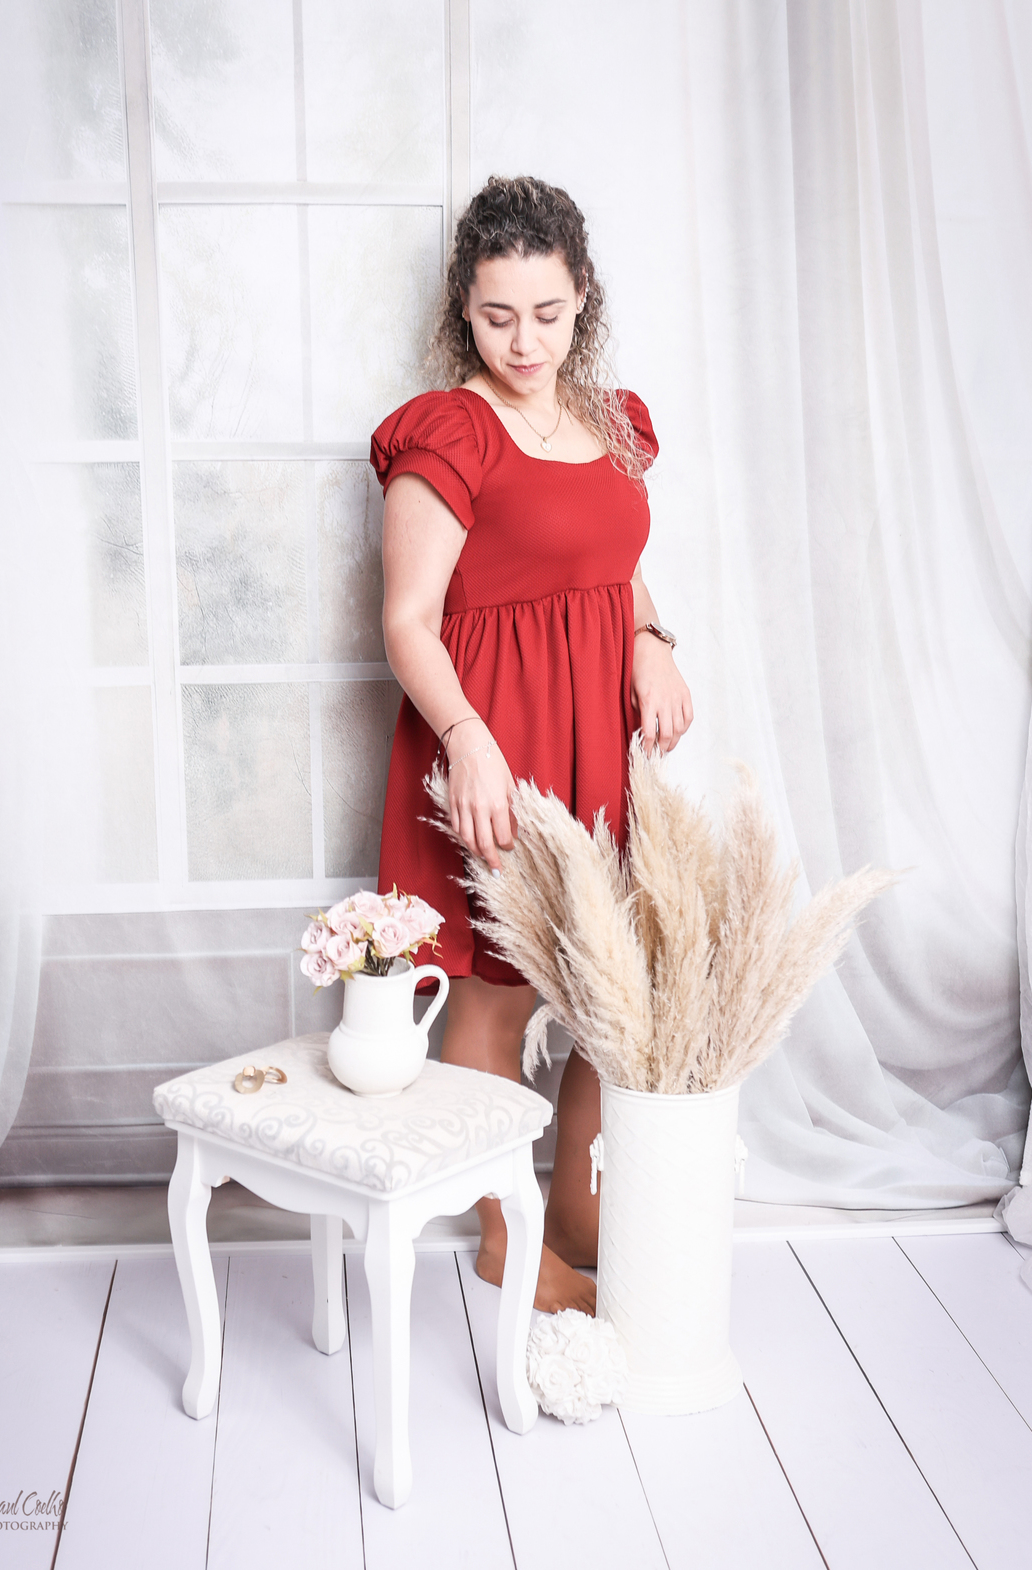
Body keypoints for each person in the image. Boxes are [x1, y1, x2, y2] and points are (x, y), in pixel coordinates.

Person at [371, 175, 693, 1314]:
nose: (524, 342)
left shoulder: (608, 420)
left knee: (611, 984)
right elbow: (408, 620)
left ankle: (581, 1213)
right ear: (464, 306)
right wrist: (466, 740)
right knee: (499, 993)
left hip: (598, 733)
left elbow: (610, 563)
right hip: (493, 738)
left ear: (582, 296)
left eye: (547, 314)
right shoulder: (449, 431)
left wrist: (651, 638)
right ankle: (506, 1236)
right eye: (498, 315)